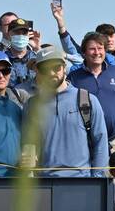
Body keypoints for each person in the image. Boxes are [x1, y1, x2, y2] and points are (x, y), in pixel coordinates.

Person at [24, 46, 109, 178]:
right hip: (45, 185)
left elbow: (100, 142)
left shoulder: (87, 100)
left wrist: (96, 180)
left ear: (64, 67)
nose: (52, 73)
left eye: (56, 67)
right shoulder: (32, 105)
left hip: (82, 182)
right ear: (38, 72)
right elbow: (28, 143)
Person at [67, 32, 115, 147]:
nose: (97, 52)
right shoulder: (74, 77)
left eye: (100, 48)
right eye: (92, 49)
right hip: (85, 144)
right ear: (84, 53)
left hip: (114, 141)